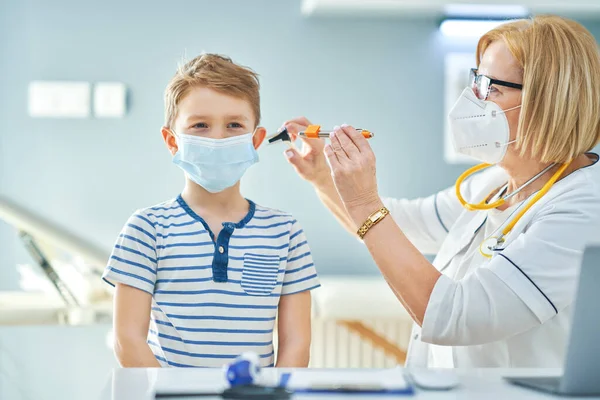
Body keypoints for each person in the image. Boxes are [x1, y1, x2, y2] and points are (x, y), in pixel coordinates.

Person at [281, 15, 600, 367]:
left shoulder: (585, 208)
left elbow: (458, 316)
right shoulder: (493, 183)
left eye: (492, 88)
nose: (473, 99)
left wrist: (363, 201)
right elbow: (397, 229)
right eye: (476, 81)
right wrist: (325, 179)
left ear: (549, 101)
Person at [102, 54, 320, 368]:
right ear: (172, 141)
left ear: (256, 140)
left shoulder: (285, 232)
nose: (217, 138)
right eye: (200, 125)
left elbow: (296, 346)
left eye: (234, 125)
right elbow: (127, 342)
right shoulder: (146, 228)